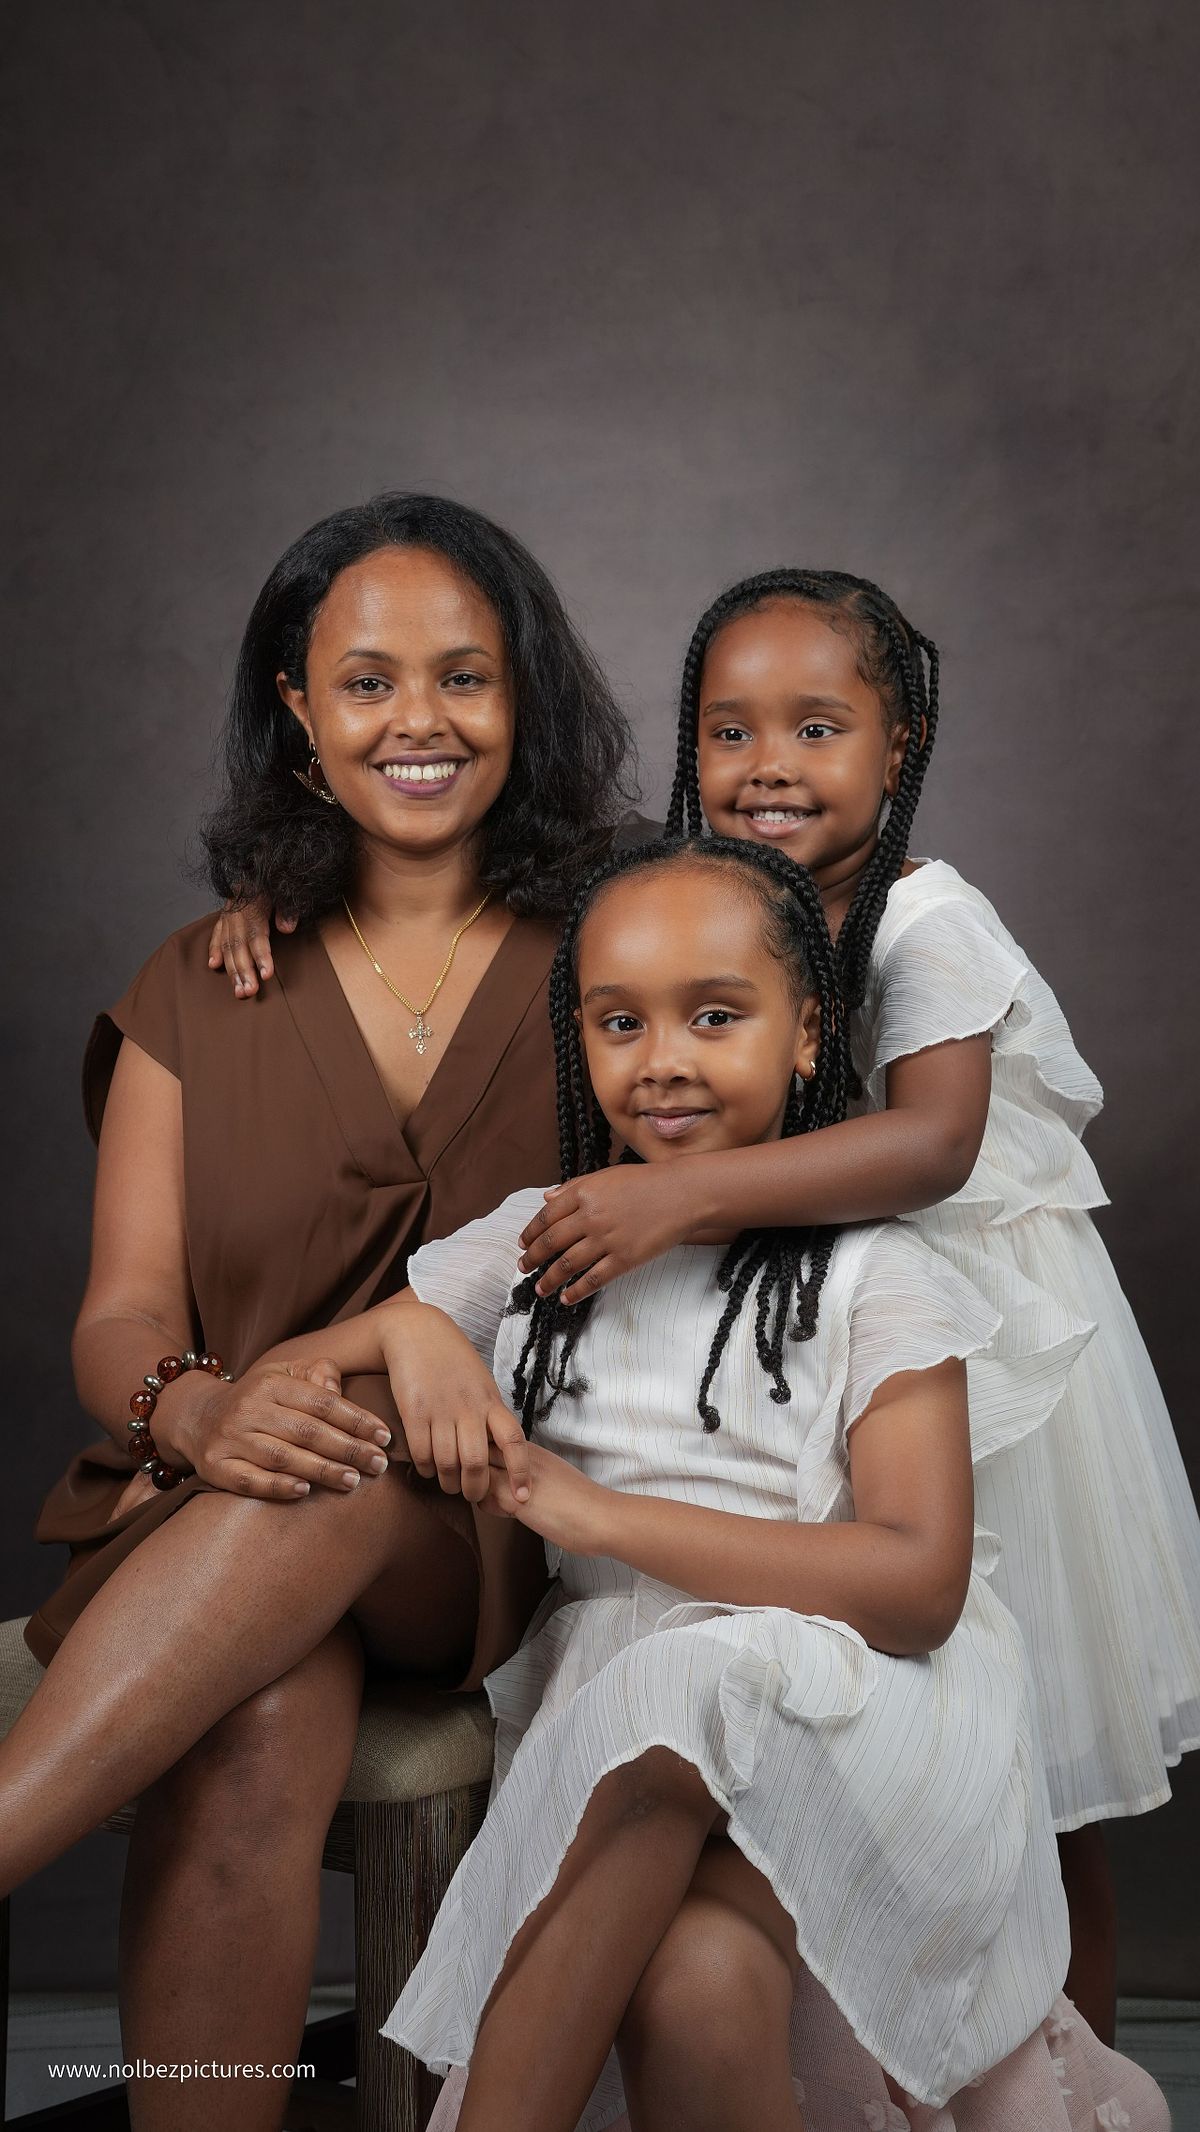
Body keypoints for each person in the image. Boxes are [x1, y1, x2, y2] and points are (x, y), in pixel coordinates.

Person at [370, 836, 1164, 2132]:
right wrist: (410, 1329)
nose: (664, 1057)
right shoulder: (546, 1238)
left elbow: (916, 1588)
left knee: (696, 1684)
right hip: (622, 1721)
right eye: (618, 1021)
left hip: (860, 1701)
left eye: (716, 1015)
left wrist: (599, 1516)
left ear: (808, 1039)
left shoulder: (874, 1276)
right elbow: (319, 1355)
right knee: (699, 1979)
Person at [10, 490, 634, 2132]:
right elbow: (122, 1313)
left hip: (503, 1521)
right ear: (297, 710)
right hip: (218, 1490)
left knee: (352, 1456)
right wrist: (200, 1407)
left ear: (526, 699)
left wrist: (389, 1343)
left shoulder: (622, 956)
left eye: (464, 678)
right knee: (262, 1716)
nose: (416, 721)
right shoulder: (199, 984)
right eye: (366, 681)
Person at [514, 569, 1200, 2040]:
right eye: (728, 730)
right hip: (832, 1351)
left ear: (900, 750)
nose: (767, 766)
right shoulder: (719, 912)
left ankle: (1061, 2077)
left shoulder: (925, 916)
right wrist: (285, 900)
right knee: (861, 1733)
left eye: (816, 729)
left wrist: (679, 1197)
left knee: (1028, 1768)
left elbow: (932, 1141)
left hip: (996, 1356)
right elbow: (541, 919)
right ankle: (868, 2069)